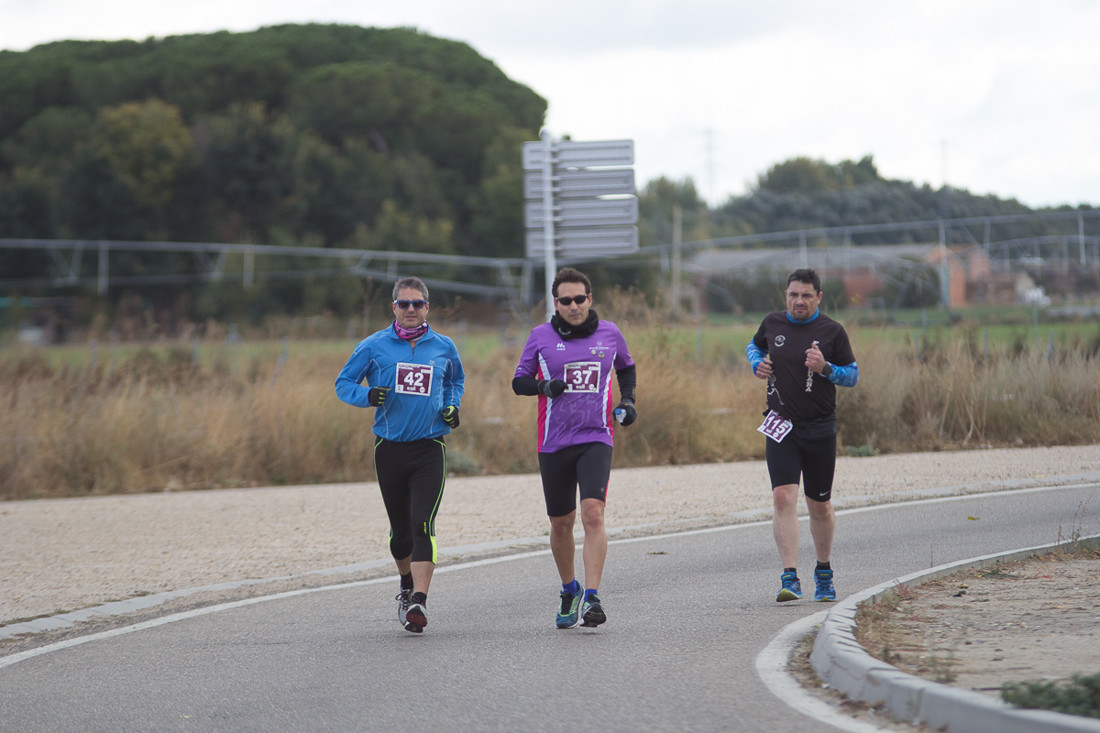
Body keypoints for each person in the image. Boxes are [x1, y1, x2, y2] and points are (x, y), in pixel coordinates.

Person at [335, 276, 465, 633]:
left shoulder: (443, 346)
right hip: (389, 448)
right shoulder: (373, 346)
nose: (411, 309)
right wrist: (367, 396)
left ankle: (419, 600)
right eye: (404, 304)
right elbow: (343, 383)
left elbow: (455, 381)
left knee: (423, 523)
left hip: (430, 447)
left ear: (427, 308)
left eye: (417, 303)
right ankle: (406, 583)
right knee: (400, 532)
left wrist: (452, 407)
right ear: (394, 307)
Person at [511, 267, 638, 629]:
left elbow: (626, 369)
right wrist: (543, 387)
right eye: (565, 300)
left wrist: (628, 401)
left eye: (579, 299)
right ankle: (570, 589)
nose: (573, 306)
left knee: (593, 514)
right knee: (561, 523)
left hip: (596, 436)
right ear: (556, 303)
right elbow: (519, 382)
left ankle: (593, 597)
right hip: (553, 442)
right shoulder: (540, 336)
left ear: (589, 299)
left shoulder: (609, 333)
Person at [745, 268, 859, 603]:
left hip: (819, 428)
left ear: (818, 297)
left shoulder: (832, 331)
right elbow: (753, 346)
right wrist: (757, 364)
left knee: (819, 505)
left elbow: (852, 376)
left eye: (806, 295)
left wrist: (826, 368)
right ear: (786, 295)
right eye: (793, 295)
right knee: (783, 497)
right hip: (781, 425)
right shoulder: (772, 323)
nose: (799, 301)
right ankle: (789, 577)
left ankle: (823, 572)